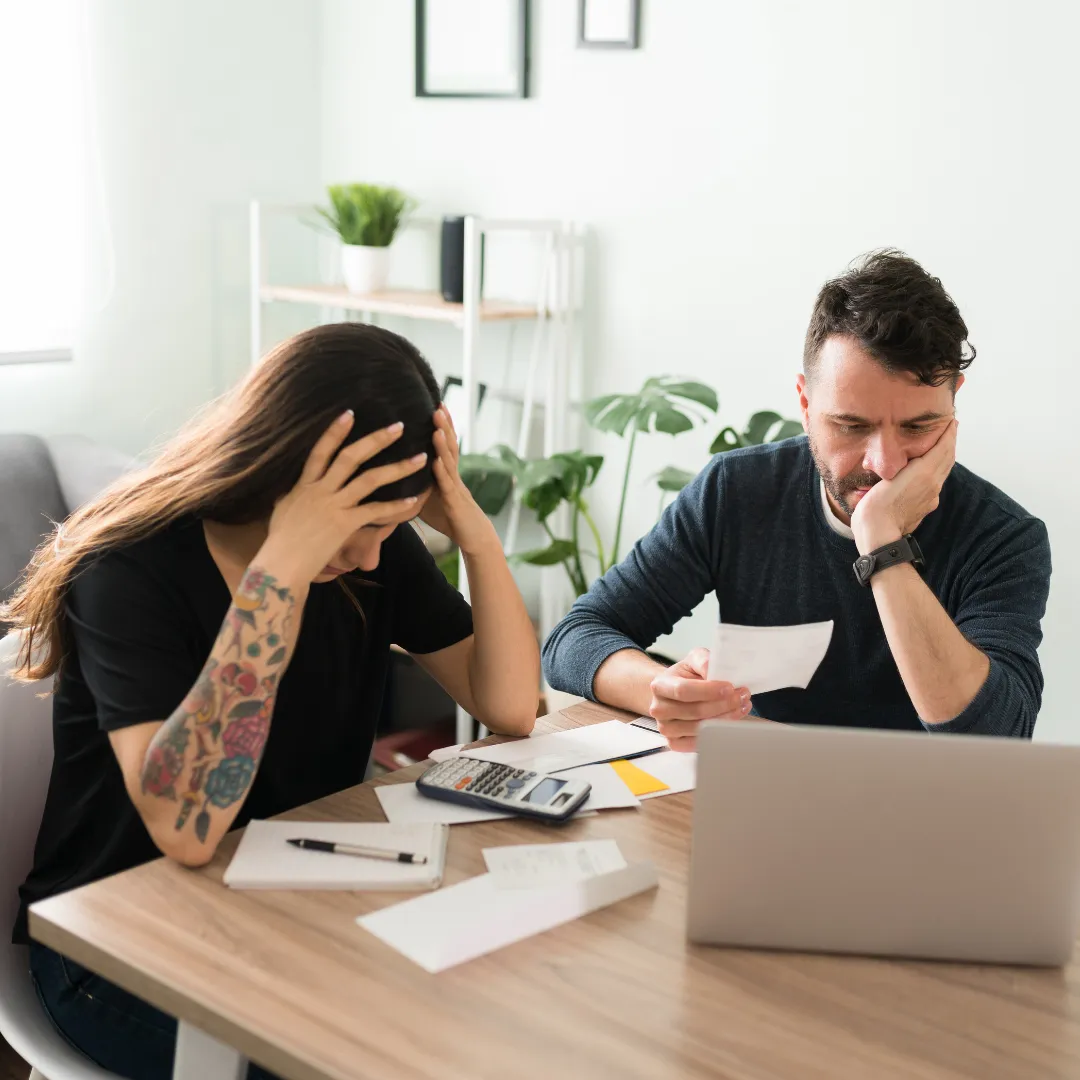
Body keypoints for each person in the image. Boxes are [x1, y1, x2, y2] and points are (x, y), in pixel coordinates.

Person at [2, 322, 540, 1080]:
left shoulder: (369, 554)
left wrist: (475, 536)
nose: (370, 555)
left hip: (301, 905)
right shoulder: (127, 567)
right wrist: (283, 568)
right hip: (118, 948)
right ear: (283, 481)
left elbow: (513, 708)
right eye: (357, 528)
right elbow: (187, 828)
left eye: (391, 526)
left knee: (483, 1024)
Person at [543, 250, 1051, 749]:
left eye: (920, 426)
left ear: (954, 400)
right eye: (851, 426)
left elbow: (996, 735)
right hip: (764, 787)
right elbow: (575, 638)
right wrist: (665, 692)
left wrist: (882, 543)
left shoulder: (1002, 535)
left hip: (923, 813)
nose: (885, 463)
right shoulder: (737, 490)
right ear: (806, 404)